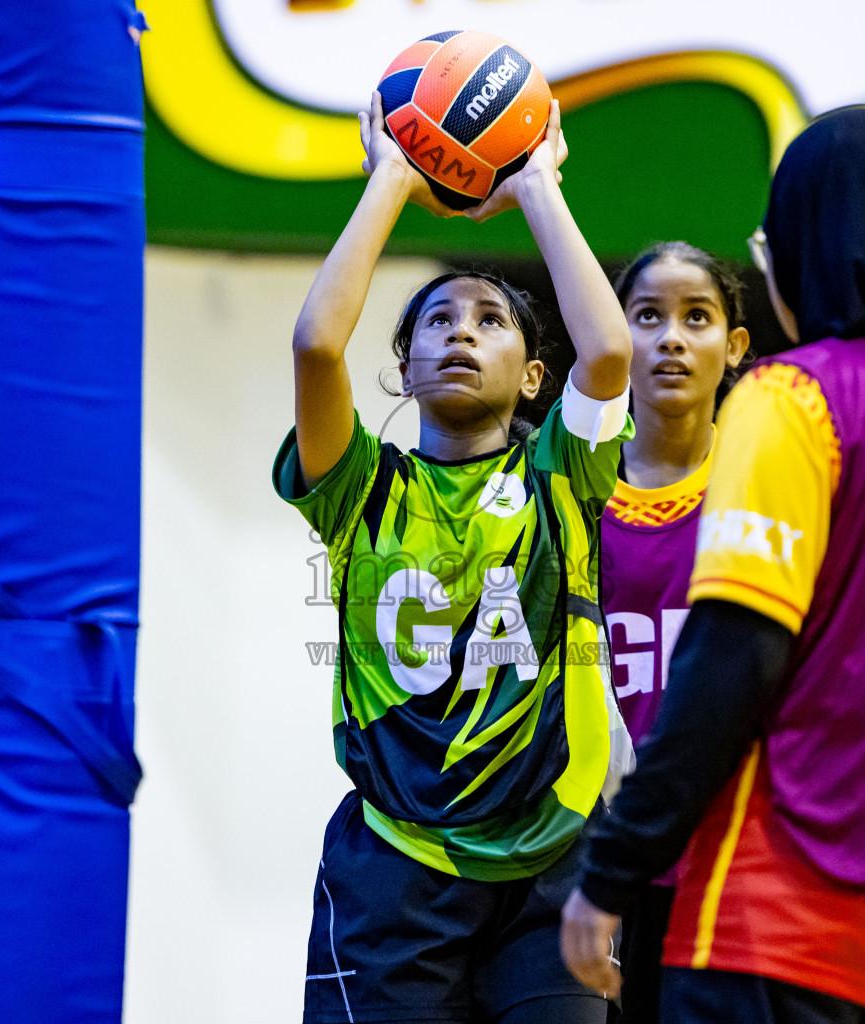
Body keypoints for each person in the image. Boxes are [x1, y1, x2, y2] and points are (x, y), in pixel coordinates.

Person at [559, 107, 865, 1024]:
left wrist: (615, 863)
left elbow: (731, 659)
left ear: (802, 245)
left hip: (783, 911)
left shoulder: (794, 398)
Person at [276, 93, 633, 1024]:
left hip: (552, 861)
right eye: (437, 321)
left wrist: (536, 185)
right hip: (396, 869)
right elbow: (317, 343)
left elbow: (609, 349)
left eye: (489, 321)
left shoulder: (565, 468)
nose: (461, 332)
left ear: (533, 377)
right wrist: (393, 175)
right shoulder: (359, 489)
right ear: (403, 368)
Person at [600, 241, 749, 1023]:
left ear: (734, 347)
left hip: (733, 861)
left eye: (698, 317)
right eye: (648, 316)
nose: (672, 338)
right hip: (603, 861)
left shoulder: (765, 487)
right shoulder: (572, 490)